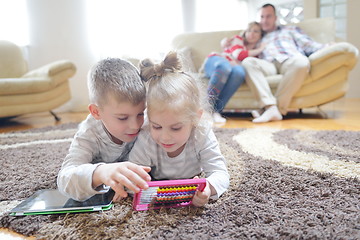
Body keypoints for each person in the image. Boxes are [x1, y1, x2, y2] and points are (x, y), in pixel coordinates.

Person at [129, 51, 230, 207]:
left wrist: (208, 188)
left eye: (175, 128)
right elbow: (131, 176)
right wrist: (136, 186)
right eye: (157, 126)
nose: (165, 137)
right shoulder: (146, 135)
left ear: (195, 118)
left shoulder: (201, 132)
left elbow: (220, 173)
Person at [57, 58, 152, 202]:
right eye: (122, 118)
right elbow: (65, 180)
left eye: (140, 114)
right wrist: (100, 172)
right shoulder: (89, 134)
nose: (135, 125)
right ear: (96, 112)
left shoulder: (148, 122)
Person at [242, 3, 326, 123]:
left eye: (268, 16)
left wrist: (327, 46)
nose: (264, 20)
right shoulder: (257, 34)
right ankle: (270, 106)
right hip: (268, 64)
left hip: (289, 59)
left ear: (275, 18)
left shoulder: (290, 29)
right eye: (262, 17)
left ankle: (275, 109)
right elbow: (241, 44)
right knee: (248, 62)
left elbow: (309, 45)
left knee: (302, 62)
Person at [204, 21, 266, 123]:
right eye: (249, 30)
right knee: (225, 67)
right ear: (245, 32)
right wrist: (260, 49)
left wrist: (260, 50)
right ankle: (206, 109)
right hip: (217, 61)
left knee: (240, 73)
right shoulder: (238, 39)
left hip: (233, 68)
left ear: (261, 35)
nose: (251, 33)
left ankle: (216, 111)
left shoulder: (256, 55)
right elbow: (239, 55)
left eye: (256, 31)